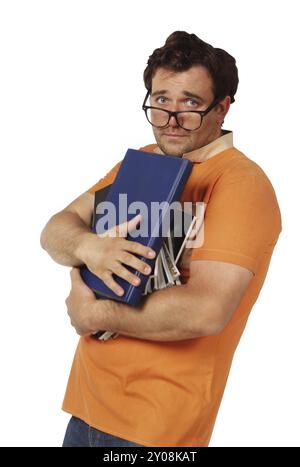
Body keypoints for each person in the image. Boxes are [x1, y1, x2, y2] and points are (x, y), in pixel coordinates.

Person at [40, 31, 282, 447]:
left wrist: (95, 315)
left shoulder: (242, 183)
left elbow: (206, 310)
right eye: (161, 100)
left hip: (158, 428)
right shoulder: (142, 163)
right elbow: (55, 229)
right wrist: (88, 247)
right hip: (86, 407)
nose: (171, 118)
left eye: (191, 103)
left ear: (222, 108)